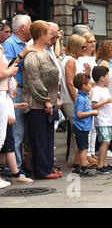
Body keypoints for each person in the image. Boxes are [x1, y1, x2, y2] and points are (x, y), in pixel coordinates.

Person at [22, 21, 62, 179]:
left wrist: (55, 98)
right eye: (49, 34)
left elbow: (53, 78)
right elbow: (34, 81)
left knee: (47, 137)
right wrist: (46, 101)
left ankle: (48, 166)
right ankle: (42, 170)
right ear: (41, 35)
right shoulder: (32, 55)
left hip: (50, 102)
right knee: (39, 138)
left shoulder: (46, 52)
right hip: (36, 104)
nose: (52, 37)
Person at [2, 14, 35, 175]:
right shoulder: (10, 44)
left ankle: (18, 165)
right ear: (22, 27)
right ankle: (13, 169)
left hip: (23, 90)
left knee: (22, 130)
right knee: (16, 130)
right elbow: (6, 67)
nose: (32, 28)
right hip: (14, 90)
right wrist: (23, 54)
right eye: (30, 24)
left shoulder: (23, 43)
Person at [0, 42, 32, 185]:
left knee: (8, 141)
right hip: (3, 104)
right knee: (3, 140)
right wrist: (10, 72)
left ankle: (15, 173)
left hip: (5, 103)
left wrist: (14, 106)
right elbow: (3, 72)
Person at [60, 35, 91, 167]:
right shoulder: (71, 61)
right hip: (71, 99)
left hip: (72, 99)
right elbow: (70, 83)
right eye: (83, 47)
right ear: (76, 47)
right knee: (79, 130)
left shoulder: (73, 60)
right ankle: (81, 161)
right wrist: (77, 100)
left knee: (75, 130)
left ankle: (74, 159)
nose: (85, 49)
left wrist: (87, 72)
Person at [91, 66, 112, 174]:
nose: (109, 78)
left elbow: (109, 101)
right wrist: (106, 101)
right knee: (105, 142)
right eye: (107, 76)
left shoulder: (105, 89)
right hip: (102, 120)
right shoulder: (96, 90)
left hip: (107, 120)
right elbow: (94, 105)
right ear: (102, 78)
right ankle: (100, 165)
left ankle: (104, 163)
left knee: (107, 142)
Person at [72, 73, 98, 177]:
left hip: (83, 127)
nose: (91, 86)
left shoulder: (84, 97)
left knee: (80, 148)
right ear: (83, 86)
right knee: (84, 149)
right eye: (89, 84)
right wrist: (92, 112)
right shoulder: (81, 99)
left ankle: (76, 166)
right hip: (81, 127)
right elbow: (79, 114)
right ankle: (84, 168)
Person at [78, 32, 98, 164]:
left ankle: (92, 151)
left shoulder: (93, 58)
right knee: (88, 126)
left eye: (94, 41)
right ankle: (88, 153)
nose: (93, 44)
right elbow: (83, 79)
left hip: (95, 92)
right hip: (87, 94)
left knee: (94, 126)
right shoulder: (81, 59)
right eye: (90, 41)